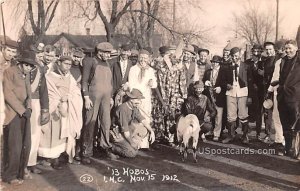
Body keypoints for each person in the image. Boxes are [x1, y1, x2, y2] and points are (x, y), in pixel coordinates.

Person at [38, 56, 83, 168]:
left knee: (65, 132)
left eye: (69, 64)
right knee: (54, 132)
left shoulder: (70, 77)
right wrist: (58, 102)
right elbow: (47, 94)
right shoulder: (49, 77)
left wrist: (68, 98)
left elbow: (75, 91)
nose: (67, 66)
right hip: (54, 108)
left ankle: (61, 154)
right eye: (65, 63)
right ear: (59, 63)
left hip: (67, 107)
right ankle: (52, 158)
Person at [2, 51, 37, 185]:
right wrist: (22, 110)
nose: (28, 68)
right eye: (26, 65)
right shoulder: (10, 72)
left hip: (24, 113)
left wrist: (29, 108)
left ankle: (20, 172)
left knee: (25, 144)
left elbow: (29, 93)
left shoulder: (26, 75)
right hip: (13, 113)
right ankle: (9, 176)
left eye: (31, 66)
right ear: (21, 63)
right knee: (14, 145)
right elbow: (8, 93)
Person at [81, 42, 116, 164]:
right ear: (99, 52)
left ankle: (105, 147)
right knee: (90, 122)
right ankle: (86, 152)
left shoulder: (108, 63)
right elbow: (84, 81)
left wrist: (111, 97)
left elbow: (110, 83)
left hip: (106, 97)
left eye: (109, 53)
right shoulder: (90, 61)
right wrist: (86, 97)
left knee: (106, 122)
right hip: (93, 96)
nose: (108, 55)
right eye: (106, 53)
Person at [111, 89, 155, 157]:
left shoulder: (134, 107)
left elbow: (143, 120)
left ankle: (128, 145)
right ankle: (111, 147)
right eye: (138, 99)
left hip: (127, 131)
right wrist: (132, 143)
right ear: (131, 99)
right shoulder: (122, 109)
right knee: (131, 153)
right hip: (117, 133)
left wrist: (151, 131)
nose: (139, 101)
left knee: (144, 130)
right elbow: (125, 131)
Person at [27, 45, 50, 174]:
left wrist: (45, 109)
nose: (40, 56)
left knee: (35, 135)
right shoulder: (24, 68)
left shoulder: (40, 70)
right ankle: (22, 164)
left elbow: (43, 91)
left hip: (36, 103)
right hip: (24, 102)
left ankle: (31, 163)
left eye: (41, 53)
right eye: (38, 53)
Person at [222, 47, 253, 144]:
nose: (235, 58)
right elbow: (222, 80)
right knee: (231, 116)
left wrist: (250, 96)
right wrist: (226, 85)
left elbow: (250, 82)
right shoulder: (226, 66)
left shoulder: (246, 66)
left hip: (243, 92)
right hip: (231, 93)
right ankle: (231, 135)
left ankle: (244, 136)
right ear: (230, 56)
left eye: (236, 56)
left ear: (240, 55)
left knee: (243, 115)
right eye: (233, 56)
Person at [128, 49, 157, 149]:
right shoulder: (133, 69)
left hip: (146, 98)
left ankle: (145, 143)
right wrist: (135, 97)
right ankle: (136, 142)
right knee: (136, 117)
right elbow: (131, 84)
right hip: (136, 97)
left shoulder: (150, 70)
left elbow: (155, 84)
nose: (143, 60)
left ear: (148, 59)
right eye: (141, 58)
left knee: (146, 117)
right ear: (138, 58)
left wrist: (152, 83)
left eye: (145, 58)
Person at [277, 40, 300, 157]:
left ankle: (296, 150)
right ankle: (287, 149)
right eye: (286, 48)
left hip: (295, 98)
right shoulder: (283, 60)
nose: (288, 50)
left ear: (296, 48)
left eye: (290, 48)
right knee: (285, 124)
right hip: (282, 97)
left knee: (295, 125)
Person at [203, 55, 227, 141]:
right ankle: (209, 130)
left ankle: (217, 134)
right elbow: (203, 81)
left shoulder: (223, 72)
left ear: (219, 63)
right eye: (213, 62)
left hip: (219, 96)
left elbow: (226, 83)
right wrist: (205, 82)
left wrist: (221, 87)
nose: (214, 63)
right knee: (207, 115)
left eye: (216, 62)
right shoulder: (208, 72)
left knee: (218, 116)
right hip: (209, 96)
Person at [246, 44, 265, 139]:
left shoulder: (264, 62)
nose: (256, 53)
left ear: (261, 52)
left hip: (261, 92)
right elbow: (245, 77)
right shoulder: (247, 62)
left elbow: (269, 75)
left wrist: (263, 74)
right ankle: (246, 133)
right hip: (249, 91)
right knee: (248, 111)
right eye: (254, 51)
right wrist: (252, 85)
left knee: (259, 112)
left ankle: (258, 133)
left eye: (258, 51)